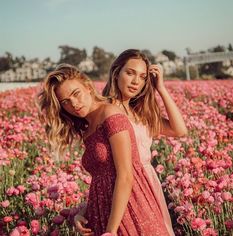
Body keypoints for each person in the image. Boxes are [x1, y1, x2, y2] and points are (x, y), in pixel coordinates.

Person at [38, 64, 170, 236]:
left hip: (129, 210)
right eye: (65, 102)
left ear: (87, 87)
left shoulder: (111, 116)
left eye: (76, 94)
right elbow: (103, 179)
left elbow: (126, 176)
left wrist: (111, 230)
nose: (74, 104)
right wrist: (83, 212)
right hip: (104, 213)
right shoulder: (89, 128)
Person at [76, 49, 187, 235]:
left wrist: (161, 88)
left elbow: (179, 130)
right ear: (116, 72)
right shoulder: (104, 113)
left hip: (146, 186)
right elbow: (103, 171)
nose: (136, 81)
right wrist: (84, 210)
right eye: (130, 73)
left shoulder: (141, 115)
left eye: (143, 77)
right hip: (121, 186)